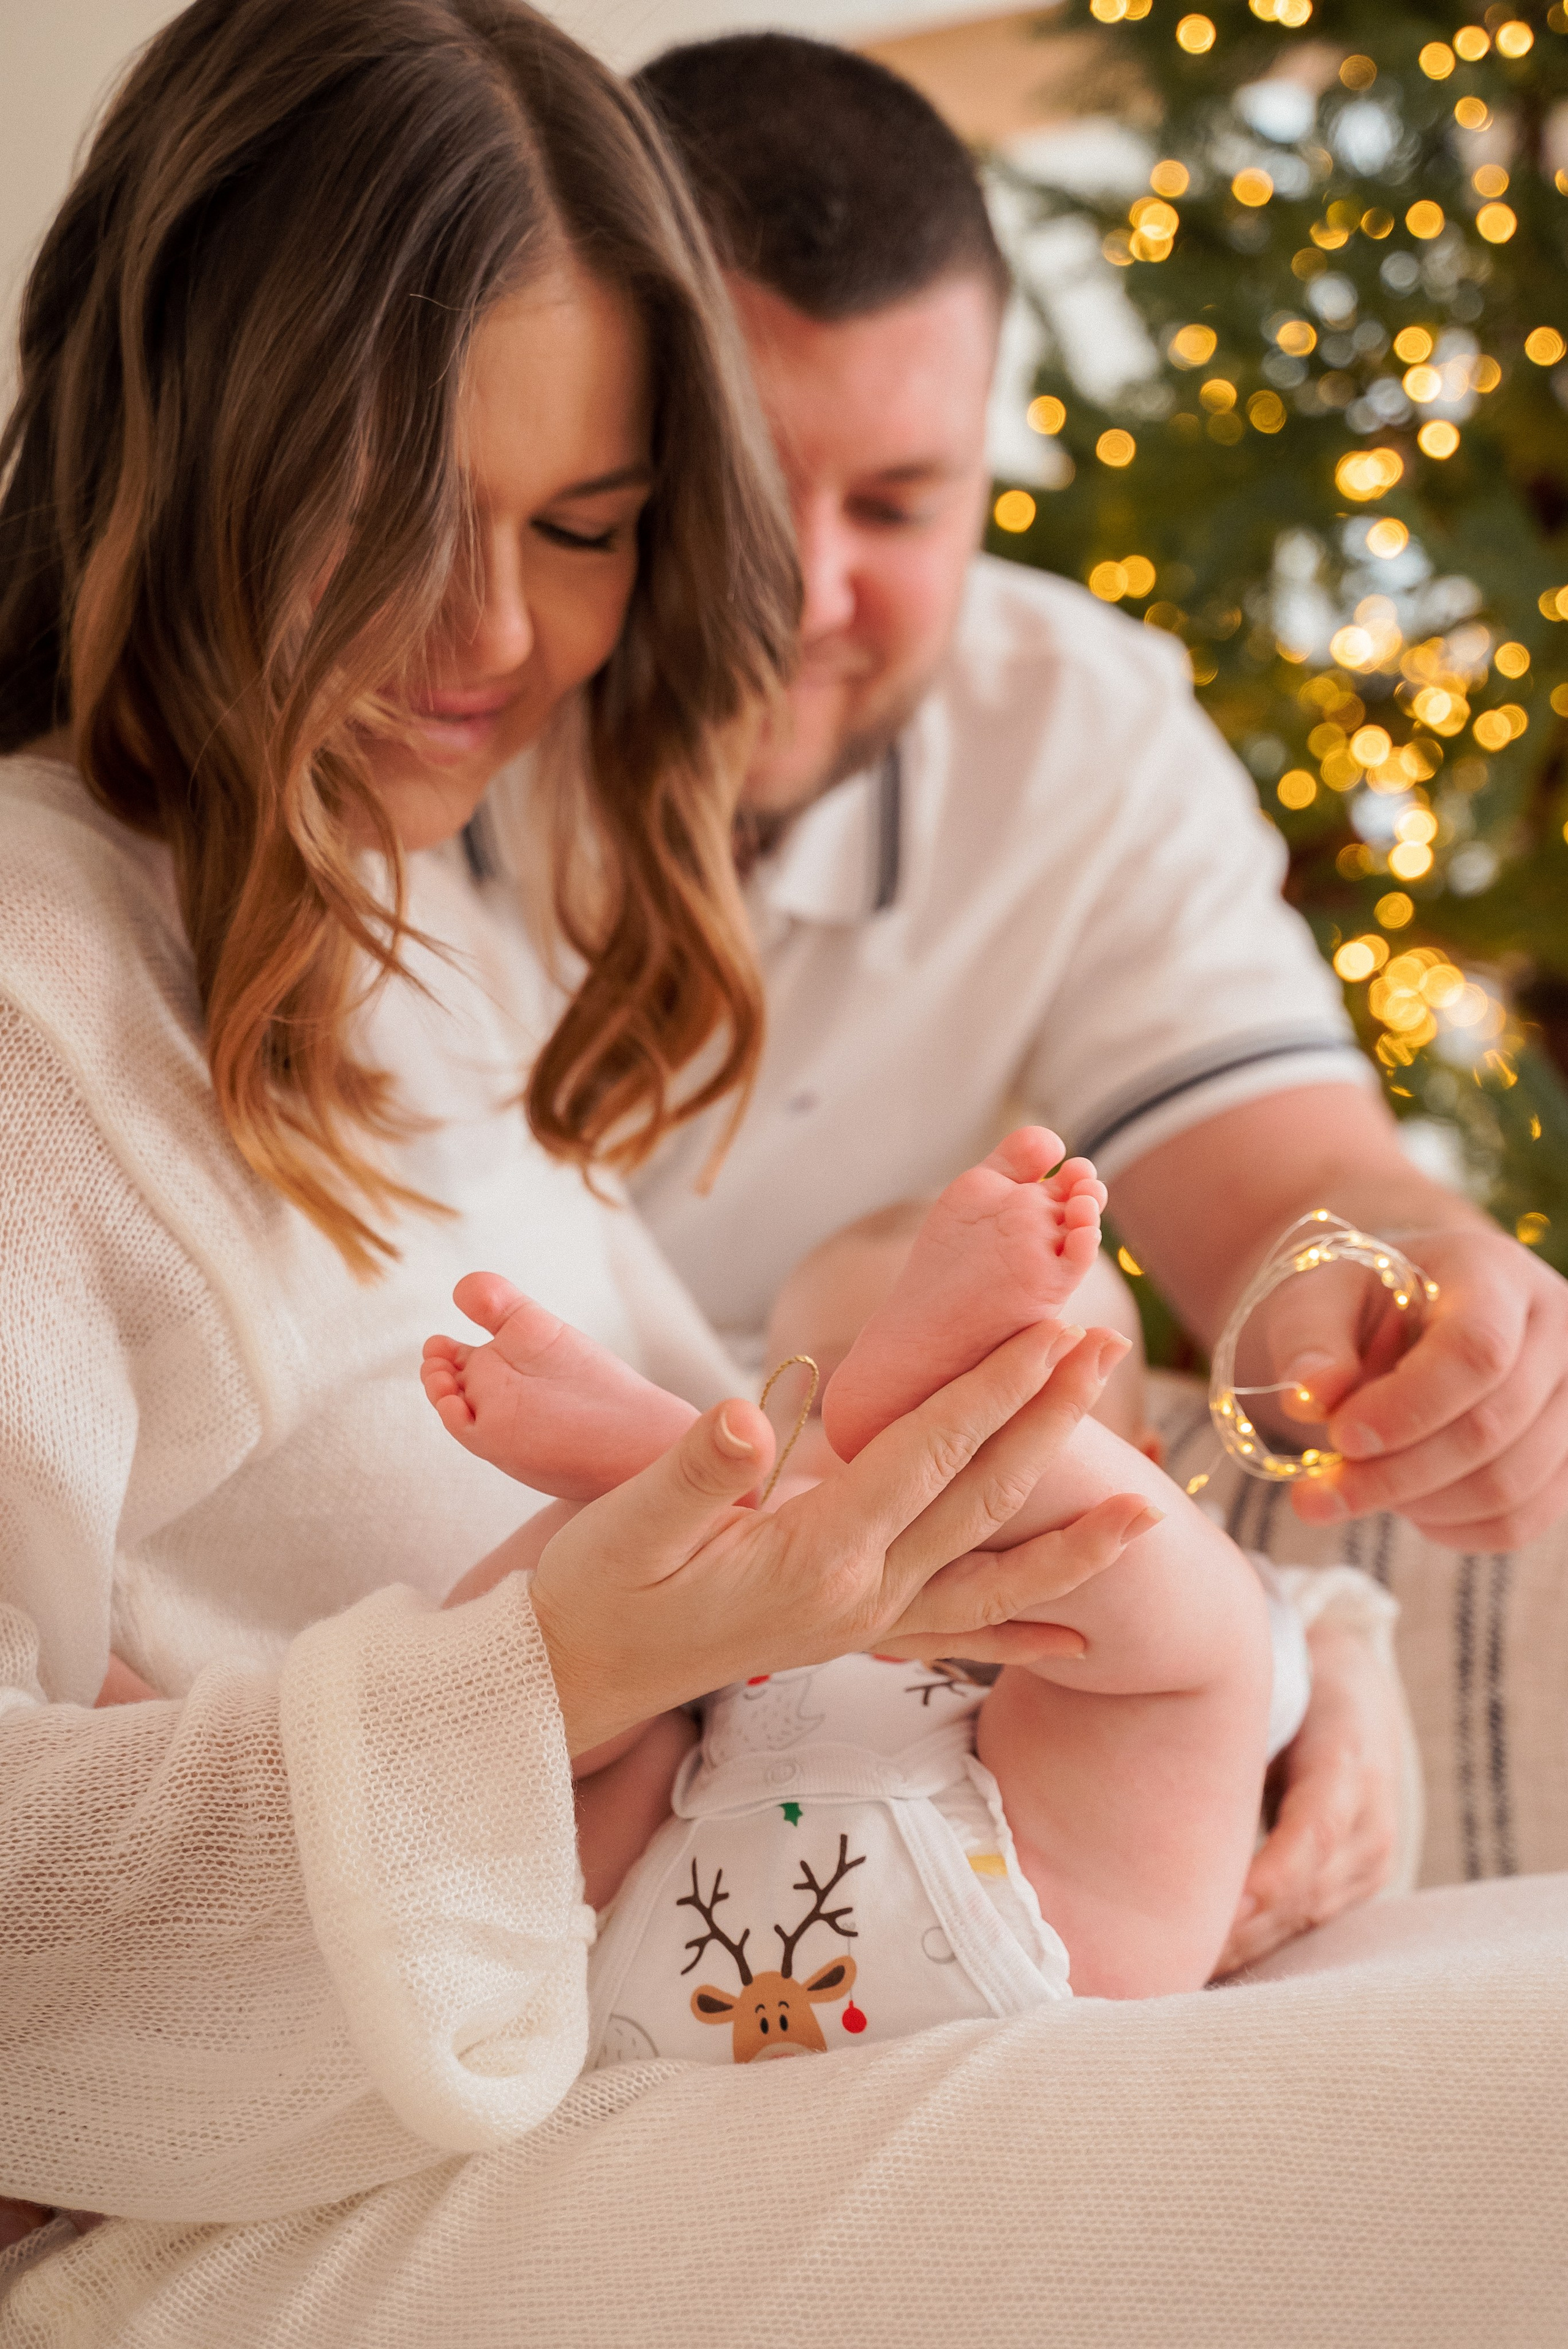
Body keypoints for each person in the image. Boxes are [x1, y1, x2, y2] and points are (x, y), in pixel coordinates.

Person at [0, 0, 1131, 2279]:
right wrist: (555, 1669)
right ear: (183, 435)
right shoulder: (37, 1001)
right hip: (301, 2186)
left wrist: (1245, 1681)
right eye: (394, 514)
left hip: (672, 1991)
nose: (502, 636)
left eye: (588, 527)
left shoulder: (390, 900)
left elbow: (703, 1436)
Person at [626, 31, 1568, 1970]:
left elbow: (1307, 1193)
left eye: (899, 502)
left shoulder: (1079, 734)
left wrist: (1409, 1295)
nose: (811, 594)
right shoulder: (411, 720)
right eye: (735, 488)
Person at [421, 1126, 1275, 2035]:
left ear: (1147, 1456)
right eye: (827, 1405)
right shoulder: (726, 1622)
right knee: (514, 1716)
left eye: (998, 1385)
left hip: (986, 1892)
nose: (883, 1458)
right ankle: (652, 1498)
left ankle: (668, 1490)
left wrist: (1341, 1660)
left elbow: (1283, 1644)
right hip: (682, 1896)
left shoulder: (1180, 1581)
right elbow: (471, 1739)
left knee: (1181, 1617)